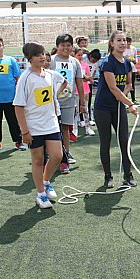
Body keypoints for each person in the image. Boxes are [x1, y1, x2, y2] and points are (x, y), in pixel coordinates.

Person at [13, 42, 65, 209]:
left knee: (57, 156)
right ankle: (41, 194)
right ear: (29, 58)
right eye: (37, 55)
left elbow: (64, 82)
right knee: (38, 160)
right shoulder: (25, 78)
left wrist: (55, 98)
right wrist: (24, 131)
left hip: (51, 123)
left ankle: (46, 181)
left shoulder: (49, 74)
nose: (42, 57)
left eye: (43, 53)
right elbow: (18, 106)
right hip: (34, 126)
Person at [93, 31, 139, 188]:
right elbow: (113, 88)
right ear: (112, 43)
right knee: (105, 142)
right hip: (102, 108)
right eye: (119, 40)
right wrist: (129, 103)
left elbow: (128, 84)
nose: (122, 43)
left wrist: (122, 98)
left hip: (117, 106)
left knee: (124, 141)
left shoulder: (127, 63)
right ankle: (108, 177)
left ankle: (128, 175)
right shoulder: (107, 63)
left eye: (124, 40)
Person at [50, 34, 85, 174]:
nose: (65, 48)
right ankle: (51, 155)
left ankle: (66, 154)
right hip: (51, 103)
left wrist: (82, 103)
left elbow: (79, 83)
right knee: (52, 130)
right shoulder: (51, 60)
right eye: (62, 45)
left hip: (69, 101)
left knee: (65, 128)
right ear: (57, 46)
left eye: (68, 45)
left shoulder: (75, 62)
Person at [74, 48, 95, 136]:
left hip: (85, 89)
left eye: (81, 55)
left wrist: (83, 78)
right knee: (75, 110)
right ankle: (74, 129)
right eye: (78, 55)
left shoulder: (85, 65)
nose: (80, 57)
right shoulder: (72, 65)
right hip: (75, 90)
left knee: (85, 109)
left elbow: (89, 77)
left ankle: (88, 127)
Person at [87, 49, 102, 124]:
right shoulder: (84, 59)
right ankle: (80, 119)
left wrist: (91, 78)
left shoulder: (96, 63)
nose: (94, 62)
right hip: (82, 82)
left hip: (89, 83)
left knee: (89, 101)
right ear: (90, 56)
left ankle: (89, 118)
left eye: (96, 61)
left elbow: (94, 71)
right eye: (93, 60)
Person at [123, 36, 138, 104]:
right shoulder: (123, 50)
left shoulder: (134, 49)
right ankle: (125, 99)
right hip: (125, 70)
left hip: (132, 69)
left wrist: (134, 60)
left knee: (132, 84)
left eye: (130, 43)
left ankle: (133, 99)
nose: (128, 44)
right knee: (125, 85)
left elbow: (136, 59)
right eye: (127, 43)